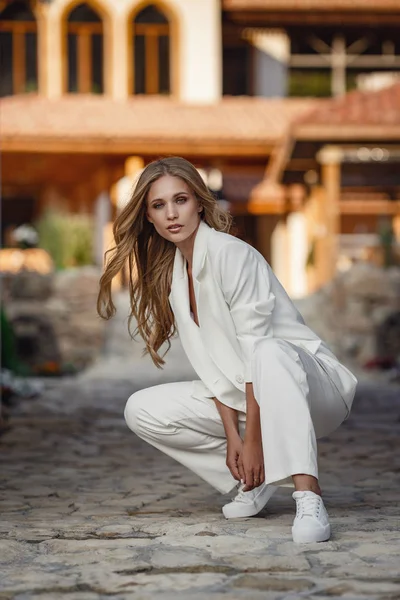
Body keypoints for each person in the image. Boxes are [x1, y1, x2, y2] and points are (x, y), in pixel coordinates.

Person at [97, 156, 357, 544]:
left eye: (180, 200)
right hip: (255, 394)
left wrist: (252, 440)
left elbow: (256, 352)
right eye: (158, 205)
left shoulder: (232, 255)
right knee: (142, 409)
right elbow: (214, 369)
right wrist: (233, 440)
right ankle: (259, 478)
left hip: (314, 389)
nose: (171, 213)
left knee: (269, 352)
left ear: (200, 202)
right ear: (148, 216)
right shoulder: (174, 278)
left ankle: (308, 495)